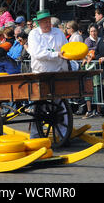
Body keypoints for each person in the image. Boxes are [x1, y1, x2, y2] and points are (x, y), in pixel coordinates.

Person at [27, 9, 69, 138]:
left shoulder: (58, 33)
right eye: (44, 21)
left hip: (57, 73)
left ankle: (63, 134)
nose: (47, 23)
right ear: (38, 22)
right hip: (40, 74)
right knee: (39, 107)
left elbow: (66, 48)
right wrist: (56, 54)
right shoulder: (34, 34)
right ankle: (35, 135)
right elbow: (37, 54)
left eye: (48, 20)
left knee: (60, 105)